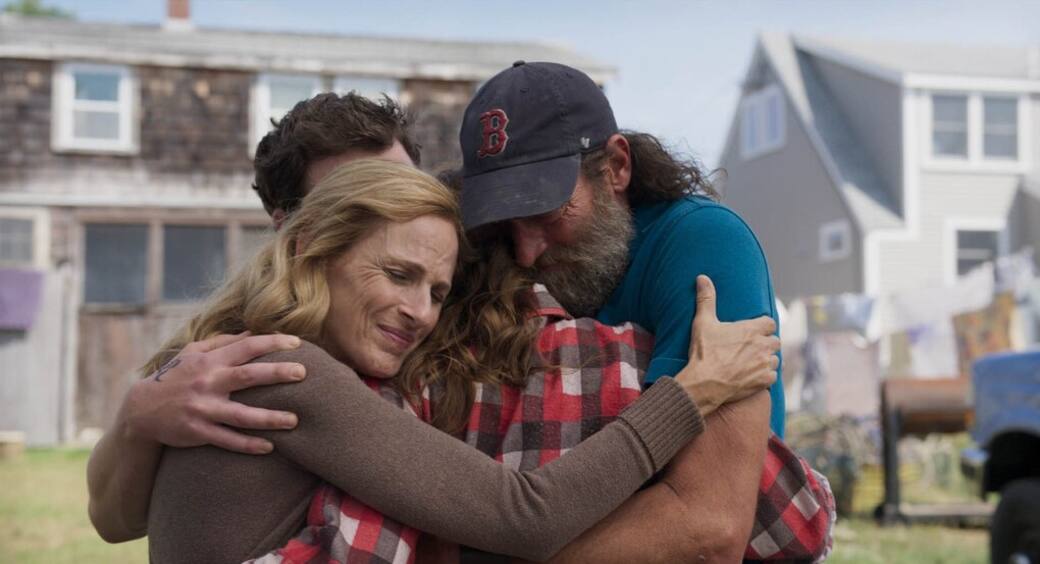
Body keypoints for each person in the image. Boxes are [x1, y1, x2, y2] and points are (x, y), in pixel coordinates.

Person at [88, 87, 803, 561]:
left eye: (439, 287)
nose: (424, 312)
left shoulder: (267, 348)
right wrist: (138, 416)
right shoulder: (282, 368)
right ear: (303, 238)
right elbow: (523, 514)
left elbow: (710, 524)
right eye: (394, 267)